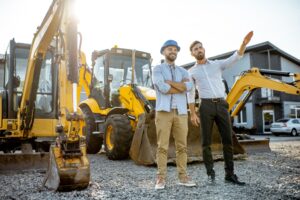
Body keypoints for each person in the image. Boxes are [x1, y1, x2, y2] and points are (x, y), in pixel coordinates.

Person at [187, 31, 254, 185]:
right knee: (206, 142)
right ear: (192, 53)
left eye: (200, 47)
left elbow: (235, 57)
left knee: (227, 140)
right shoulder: (191, 72)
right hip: (206, 106)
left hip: (222, 105)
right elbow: (190, 94)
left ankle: (229, 174)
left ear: (204, 49)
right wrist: (192, 113)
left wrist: (243, 44)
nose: (199, 50)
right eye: (195, 49)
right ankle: (210, 174)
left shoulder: (217, 64)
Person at [152, 40, 196, 190]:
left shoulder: (183, 71)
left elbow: (189, 87)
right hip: (163, 112)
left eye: (175, 49)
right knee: (162, 146)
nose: (173, 51)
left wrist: (171, 83)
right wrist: (180, 87)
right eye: (170, 49)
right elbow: (162, 88)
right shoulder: (157, 69)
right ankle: (161, 178)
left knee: (182, 146)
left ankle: (183, 177)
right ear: (164, 51)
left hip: (181, 112)